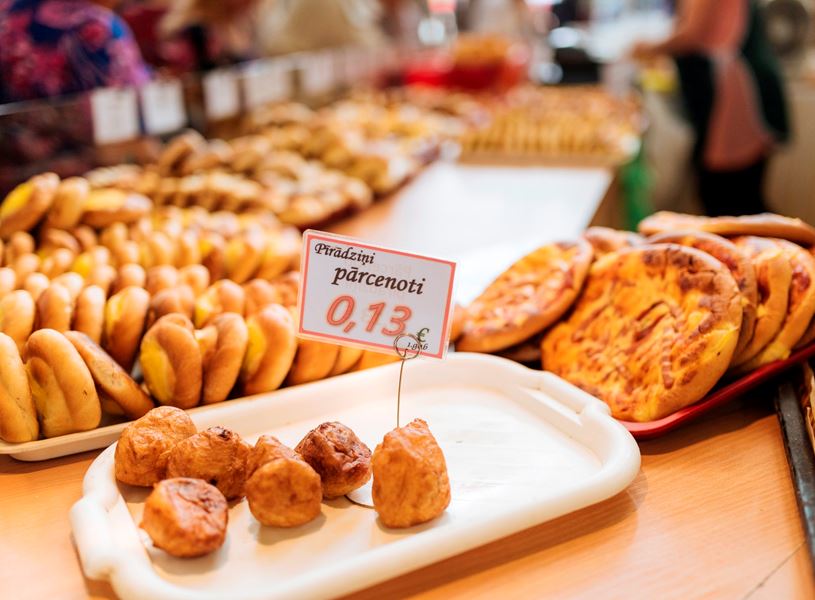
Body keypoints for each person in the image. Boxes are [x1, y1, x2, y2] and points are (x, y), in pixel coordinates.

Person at [632, 0, 789, 216]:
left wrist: (647, 48)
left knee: (732, 197)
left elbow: (692, 33)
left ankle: (786, 247)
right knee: (732, 196)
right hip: (726, 88)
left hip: (736, 93)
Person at [0, 0, 150, 104]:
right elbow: (138, 97)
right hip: (85, 143)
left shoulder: (6, 16)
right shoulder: (99, 26)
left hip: (14, 142)